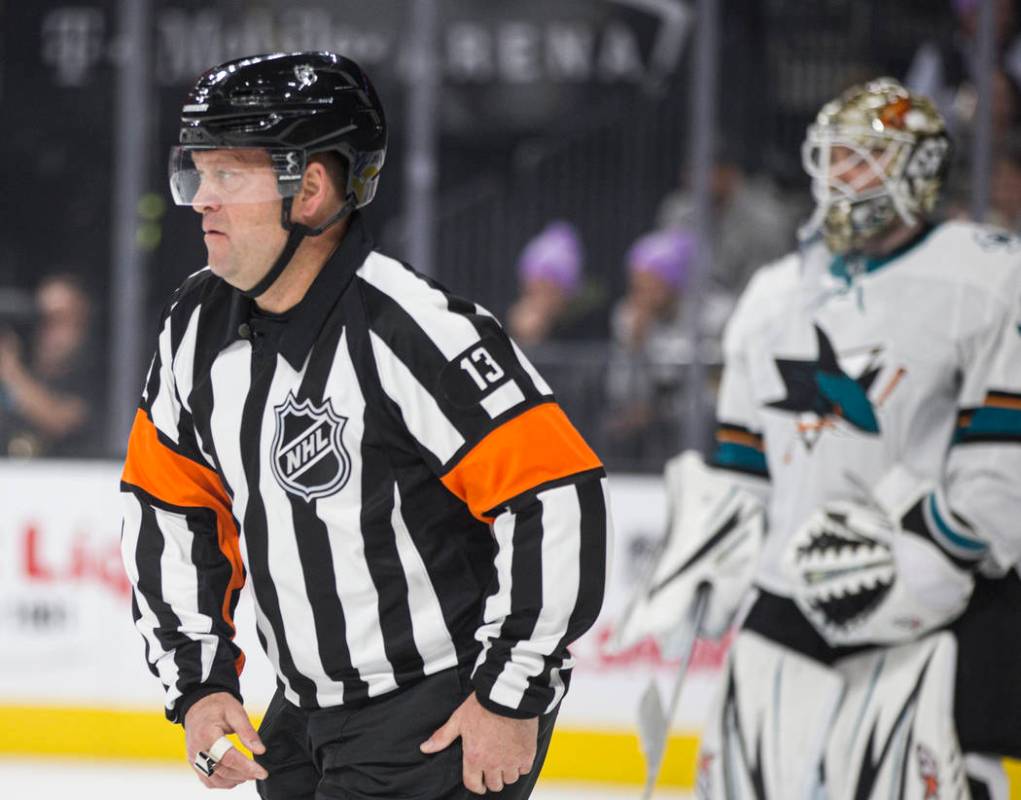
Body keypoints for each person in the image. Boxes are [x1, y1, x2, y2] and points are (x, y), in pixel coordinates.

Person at [119, 52, 609, 800]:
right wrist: (198, 683)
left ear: (310, 189)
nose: (200, 201)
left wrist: (514, 694)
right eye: (198, 172)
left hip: (433, 713)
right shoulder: (196, 320)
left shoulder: (413, 329)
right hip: (297, 719)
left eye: (228, 176)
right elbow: (170, 503)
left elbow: (556, 495)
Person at [616, 77, 1021, 799]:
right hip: (794, 589)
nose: (840, 179)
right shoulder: (774, 292)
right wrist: (704, 558)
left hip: (951, 595)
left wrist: (935, 554)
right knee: (751, 775)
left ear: (917, 173)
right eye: (832, 159)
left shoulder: (988, 276)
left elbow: (1001, 460)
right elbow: (742, 462)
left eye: (863, 159)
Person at [0, 273, 99, 457]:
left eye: (59, 319)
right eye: (41, 318)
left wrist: (10, 371)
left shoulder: (99, 375)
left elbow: (61, 421)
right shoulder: (24, 369)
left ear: (82, 322)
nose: (47, 329)